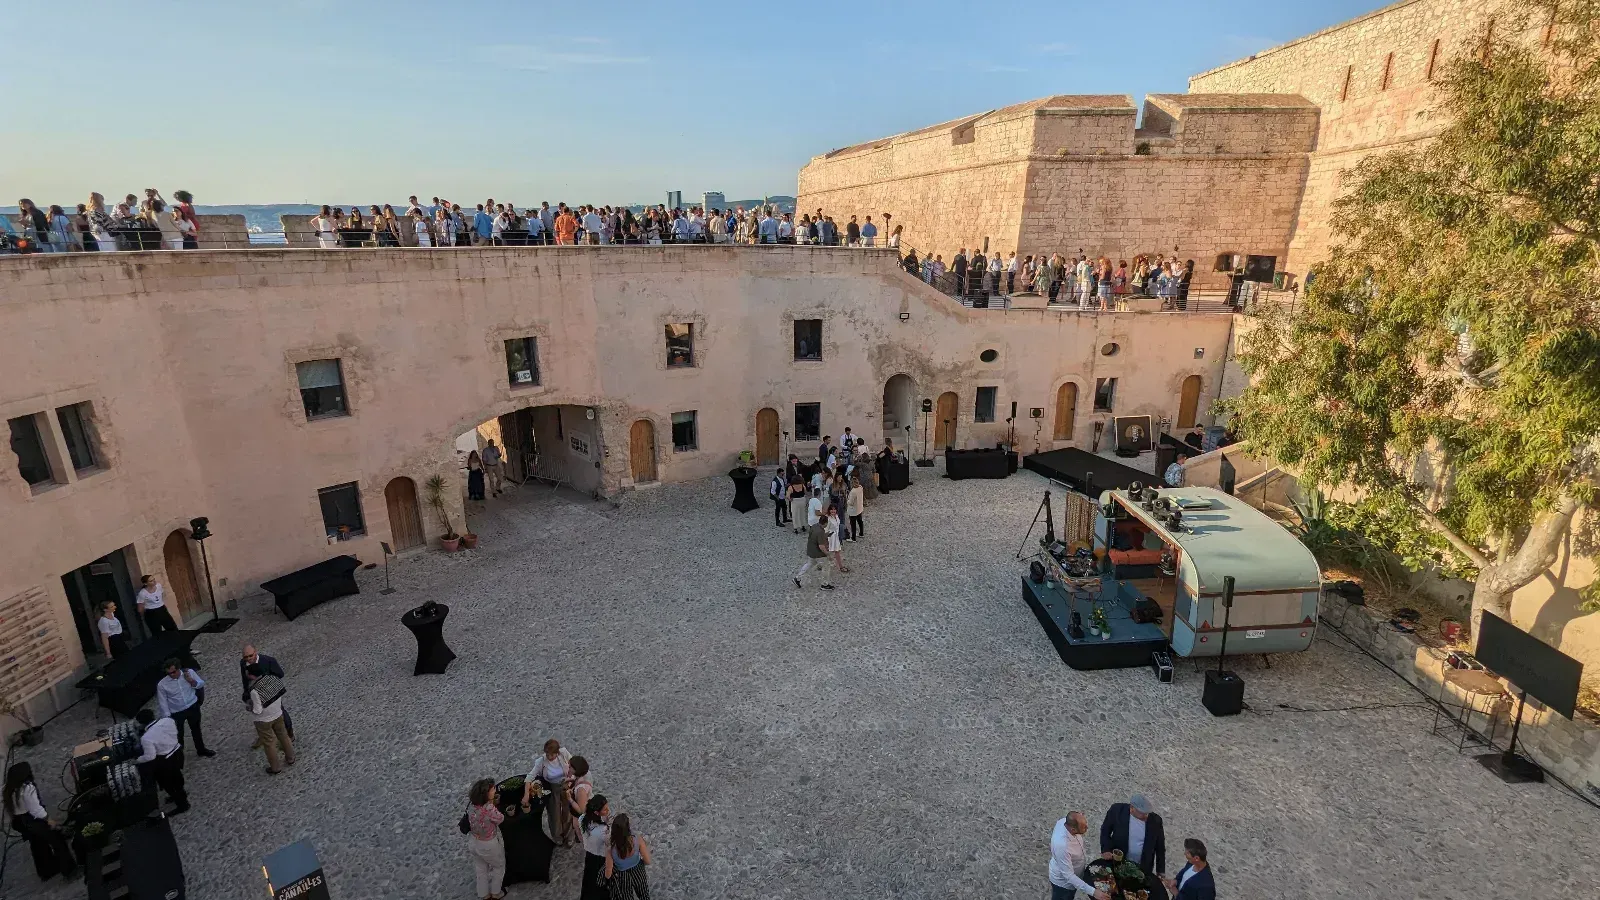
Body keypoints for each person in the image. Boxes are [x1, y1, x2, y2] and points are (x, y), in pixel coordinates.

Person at [5, 762, 77, 880]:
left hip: (19, 821)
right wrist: (48, 819)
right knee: (57, 840)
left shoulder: (7, 789)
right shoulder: (28, 788)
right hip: (32, 819)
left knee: (37, 843)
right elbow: (35, 809)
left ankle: (46, 870)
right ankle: (69, 871)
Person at [158, 659, 215, 757]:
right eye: (169, 673)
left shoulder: (189, 673)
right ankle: (179, 756)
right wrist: (167, 718)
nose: (171, 675)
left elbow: (201, 684)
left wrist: (191, 681)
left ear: (178, 668)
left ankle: (201, 750)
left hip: (192, 706)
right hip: (177, 712)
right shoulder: (162, 684)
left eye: (173, 672)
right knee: (178, 735)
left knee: (196, 730)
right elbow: (163, 703)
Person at [135, 707, 188, 813]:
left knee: (169, 783)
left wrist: (137, 760)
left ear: (142, 723)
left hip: (165, 761)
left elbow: (150, 756)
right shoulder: (168, 721)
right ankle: (181, 795)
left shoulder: (146, 738)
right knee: (177, 776)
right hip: (177, 752)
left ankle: (182, 804)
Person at [246, 661, 294, 774]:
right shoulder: (272, 678)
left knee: (269, 743)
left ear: (252, 675)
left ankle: (275, 768)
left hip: (264, 720)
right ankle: (291, 757)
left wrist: (249, 707)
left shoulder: (254, 690)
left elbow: (258, 710)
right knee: (283, 736)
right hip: (278, 713)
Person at [1100, 793, 1165, 877]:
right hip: (1118, 861)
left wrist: (1160, 870)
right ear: (1132, 808)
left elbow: (1160, 847)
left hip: (1142, 866)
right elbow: (1105, 830)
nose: (1146, 816)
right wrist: (1106, 849)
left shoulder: (1156, 821)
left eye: (1147, 813)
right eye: (1142, 813)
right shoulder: (1117, 811)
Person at [524, 739, 574, 847]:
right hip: (552, 788)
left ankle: (569, 835)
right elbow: (529, 777)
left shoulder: (564, 753)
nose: (549, 757)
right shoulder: (541, 761)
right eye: (547, 754)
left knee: (568, 811)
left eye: (552, 754)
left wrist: (570, 780)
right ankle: (557, 836)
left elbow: (573, 766)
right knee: (554, 814)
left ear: (557, 752)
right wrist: (526, 794)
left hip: (566, 786)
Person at [1050, 811, 1109, 900]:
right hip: (1064, 885)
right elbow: (1069, 876)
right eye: (1083, 827)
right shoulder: (1063, 846)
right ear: (1073, 829)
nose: (1087, 827)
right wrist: (1093, 892)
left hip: (1075, 876)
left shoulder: (1064, 821)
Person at [465, 779, 507, 900]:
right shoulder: (488, 808)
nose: (495, 790)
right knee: (498, 866)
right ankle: (495, 893)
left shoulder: (472, 805)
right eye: (493, 789)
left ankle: (484, 895)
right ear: (486, 794)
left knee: (481, 868)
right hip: (488, 844)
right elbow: (500, 819)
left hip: (473, 841)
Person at [241, 643, 293, 739]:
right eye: (245, 657)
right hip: (255, 693)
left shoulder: (269, 661)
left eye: (250, 655)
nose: (248, 658)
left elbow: (280, 674)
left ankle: (289, 733)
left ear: (255, 652)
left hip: (270, 691)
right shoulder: (243, 663)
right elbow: (244, 678)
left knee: (280, 711)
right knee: (262, 716)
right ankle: (267, 736)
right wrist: (246, 692)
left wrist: (264, 679)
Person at [603, 813, 652, 900]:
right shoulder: (638, 840)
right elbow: (647, 861)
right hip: (638, 871)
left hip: (622, 876)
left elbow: (608, 870)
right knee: (644, 895)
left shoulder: (610, 850)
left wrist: (607, 880)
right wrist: (641, 864)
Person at [794, 506, 835, 591]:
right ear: (825, 523)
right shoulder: (820, 531)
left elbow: (814, 537)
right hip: (818, 553)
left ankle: (797, 578)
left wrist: (826, 535)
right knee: (826, 566)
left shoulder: (814, 526)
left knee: (809, 564)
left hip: (811, 550)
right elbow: (821, 546)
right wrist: (828, 555)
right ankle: (825, 584)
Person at [580, 794, 611, 900]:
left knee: (589, 881)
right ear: (597, 813)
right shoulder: (602, 831)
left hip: (589, 856)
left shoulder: (583, 819)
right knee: (602, 884)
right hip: (601, 858)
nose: (608, 810)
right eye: (605, 809)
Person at [566, 756, 594, 844]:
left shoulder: (580, 789)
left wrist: (570, 799)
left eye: (570, 767)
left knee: (582, 836)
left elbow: (581, 810)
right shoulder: (586, 774)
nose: (568, 768)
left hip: (579, 819)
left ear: (576, 769)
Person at [825, 507, 849, 574]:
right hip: (830, 537)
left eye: (834, 509)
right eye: (831, 509)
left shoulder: (837, 516)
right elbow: (826, 529)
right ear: (829, 510)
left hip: (836, 537)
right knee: (828, 552)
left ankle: (841, 566)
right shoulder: (828, 518)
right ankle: (821, 564)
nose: (833, 511)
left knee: (837, 552)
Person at [846, 473, 865, 542]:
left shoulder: (853, 491)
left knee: (853, 524)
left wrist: (846, 500)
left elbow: (851, 502)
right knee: (860, 521)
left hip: (853, 510)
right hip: (859, 508)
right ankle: (861, 533)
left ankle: (853, 538)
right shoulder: (860, 487)